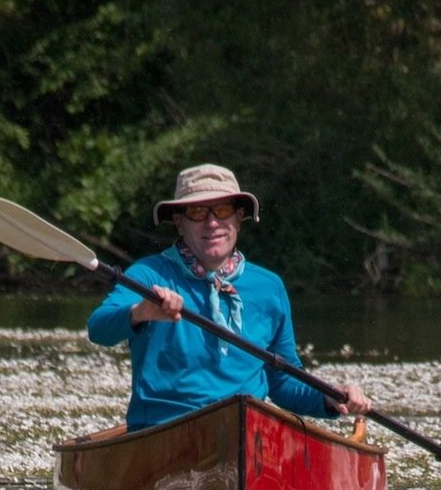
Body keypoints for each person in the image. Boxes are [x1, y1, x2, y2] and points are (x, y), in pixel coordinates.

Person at [87, 164, 372, 430]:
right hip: (164, 429)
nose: (212, 223)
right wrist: (142, 311)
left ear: (239, 217)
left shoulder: (269, 287)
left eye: (222, 210)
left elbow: (284, 381)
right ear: (179, 222)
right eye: (198, 212)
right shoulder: (148, 275)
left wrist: (329, 398)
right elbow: (98, 328)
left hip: (248, 429)